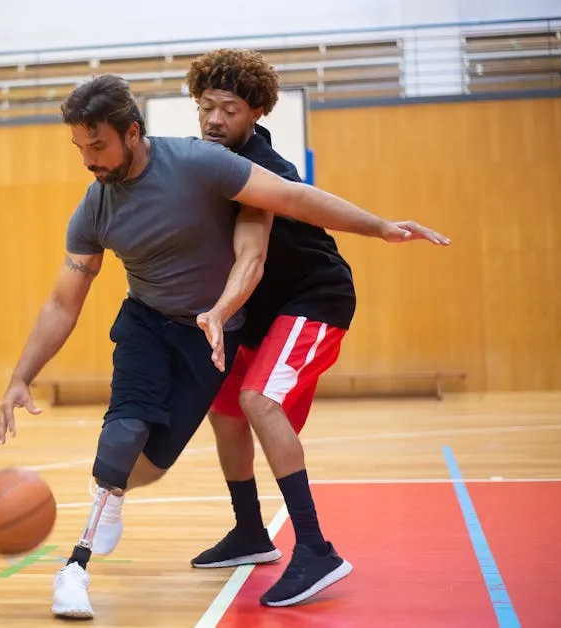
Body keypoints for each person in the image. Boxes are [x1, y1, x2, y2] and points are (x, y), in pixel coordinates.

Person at [0, 73, 450, 620]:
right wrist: (22, 374)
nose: (88, 159)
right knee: (133, 426)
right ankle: (80, 565)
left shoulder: (204, 165)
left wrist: (380, 227)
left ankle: (308, 548)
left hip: (229, 324)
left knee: (167, 454)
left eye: (98, 146)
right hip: (146, 322)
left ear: (132, 133)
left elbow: (293, 202)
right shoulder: (94, 209)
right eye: (80, 148)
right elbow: (62, 302)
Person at [184, 48, 363, 607]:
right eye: (207, 106)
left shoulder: (261, 170)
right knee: (225, 409)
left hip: (314, 299)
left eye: (229, 109)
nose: (215, 119)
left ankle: (315, 549)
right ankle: (250, 532)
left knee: (261, 400)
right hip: (261, 313)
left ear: (256, 112)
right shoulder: (205, 161)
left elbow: (254, 257)